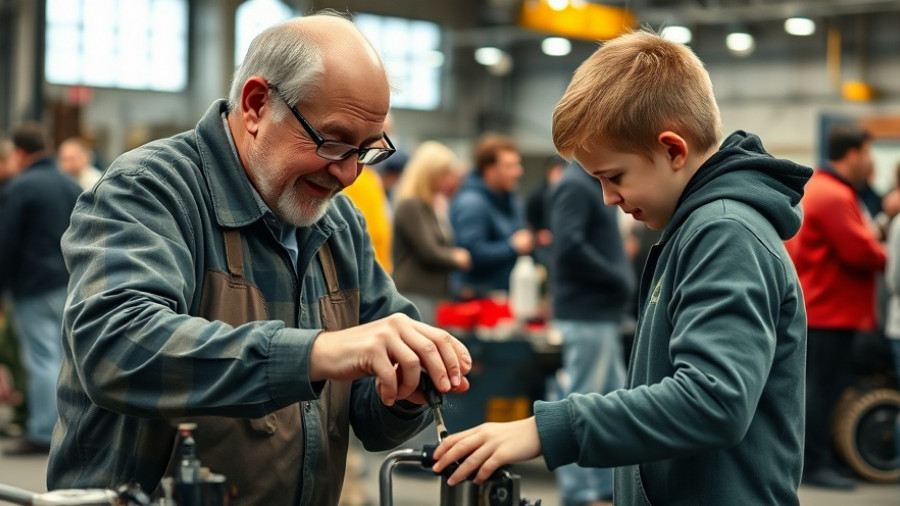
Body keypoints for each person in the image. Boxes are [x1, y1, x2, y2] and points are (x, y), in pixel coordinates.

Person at [48, 13, 472, 505]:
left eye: (365, 150)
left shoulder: (340, 225)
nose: (349, 173)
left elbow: (370, 422)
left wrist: (403, 391)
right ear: (255, 105)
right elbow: (115, 347)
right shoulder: (151, 189)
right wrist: (317, 352)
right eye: (333, 141)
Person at [432, 30, 812, 506]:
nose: (608, 198)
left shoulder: (724, 233)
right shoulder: (694, 228)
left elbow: (713, 401)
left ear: (673, 150)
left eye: (614, 177)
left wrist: (548, 430)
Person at [785, 124, 886, 490]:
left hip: (821, 309)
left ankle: (818, 459)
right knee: (820, 390)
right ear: (855, 154)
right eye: (868, 154)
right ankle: (813, 465)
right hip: (829, 312)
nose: (869, 163)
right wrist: (883, 249)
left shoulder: (821, 189)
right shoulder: (834, 195)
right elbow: (862, 252)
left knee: (819, 388)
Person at [546, 160, 634, 506]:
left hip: (600, 315)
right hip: (585, 315)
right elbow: (568, 247)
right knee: (579, 404)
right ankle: (579, 494)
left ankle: (602, 489)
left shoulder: (587, 184)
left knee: (607, 405)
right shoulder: (574, 186)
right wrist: (616, 276)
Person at [0, 123, 83, 456]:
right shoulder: (70, 185)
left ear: (20, 153)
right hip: (68, 281)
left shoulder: (21, 188)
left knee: (40, 359)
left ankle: (40, 431)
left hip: (32, 287)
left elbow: (5, 243)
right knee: (64, 358)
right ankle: (67, 427)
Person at [391, 141, 471, 324]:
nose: (450, 180)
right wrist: (456, 258)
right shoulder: (411, 205)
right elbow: (429, 251)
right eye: (445, 174)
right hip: (416, 293)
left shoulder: (429, 206)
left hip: (432, 294)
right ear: (430, 174)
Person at [449, 133, 533, 299]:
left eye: (518, 164)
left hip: (504, 298)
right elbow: (470, 255)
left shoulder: (510, 199)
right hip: (478, 302)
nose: (518, 171)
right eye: (509, 166)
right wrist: (512, 247)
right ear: (489, 169)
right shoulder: (472, 203)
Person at [525, 154, 565, 270]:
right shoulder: (537, 195)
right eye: (557, 172)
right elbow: (528, 225)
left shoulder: (567, 194)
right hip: (542, 247)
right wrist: (538, 236)